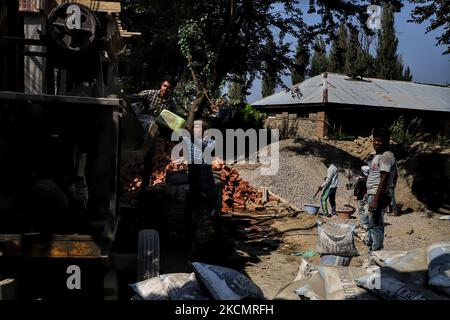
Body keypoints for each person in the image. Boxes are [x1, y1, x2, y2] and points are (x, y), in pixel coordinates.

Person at [181, 119, 222, 256]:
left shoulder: (210, 142)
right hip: (195, 186)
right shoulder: (189, 142)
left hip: (207, 185)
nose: (194, 130)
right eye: (193, 128)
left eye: (196, 128)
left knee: (214, 215)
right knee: (191, 217)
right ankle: (190, 247)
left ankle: (218, 243)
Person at [366, 127, 397, 251]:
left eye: (380, 140)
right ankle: (372, 249)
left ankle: (376, 252)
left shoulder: (386, 156)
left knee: (376, 224)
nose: (377, 143)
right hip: (373, 194)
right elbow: (395, 176)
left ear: (386, 141)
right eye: (375, 140)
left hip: (376, 195)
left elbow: (384, 179)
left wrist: (376, 199)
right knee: (372, 223)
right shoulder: (378, 155)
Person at [354, 165, 370, 243]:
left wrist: (355, 195)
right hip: (368, 195)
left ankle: (364, 225)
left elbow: (356, 188)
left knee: (361, 210)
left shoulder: (360, 180)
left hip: (360, 196)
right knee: (366, 209)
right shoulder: (370, 178)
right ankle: (366, 223)